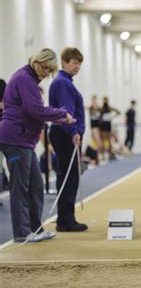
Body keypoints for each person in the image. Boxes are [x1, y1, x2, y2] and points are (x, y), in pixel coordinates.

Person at [0, 48, 74, 242]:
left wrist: (58, 118)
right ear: (38, 63)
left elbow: (34, 111)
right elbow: (35, 110)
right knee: (20, 187)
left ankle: (35, 229)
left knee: (35, 185)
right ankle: (22, 233)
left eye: (50, 71)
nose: (47, 75)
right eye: (46, 70)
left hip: (24, 141)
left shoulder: (29, 79)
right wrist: (61, 114)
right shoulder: (25, 79)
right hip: (15, 139)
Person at [49, 47, 87, 232]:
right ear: (64, 62)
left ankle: (64, 218)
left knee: (66, 176)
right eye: (74, 62)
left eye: (79, 63)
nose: (77, 66)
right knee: (69, 178)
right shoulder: (63, 83)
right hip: (66, 134)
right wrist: (74, 132)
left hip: (64, 133)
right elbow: (66, 112)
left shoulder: (65, 82)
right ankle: (66, 220)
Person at [99, 96, 120, 161]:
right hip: (104, 125)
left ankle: (109, 155)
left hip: (106, 125)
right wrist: (103, 119)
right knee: (104, 140)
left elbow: (118, 112)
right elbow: (98, 116)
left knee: (108, 140)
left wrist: (112, 117)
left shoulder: (108, 108)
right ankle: (104, 155)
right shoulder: (102, 108)